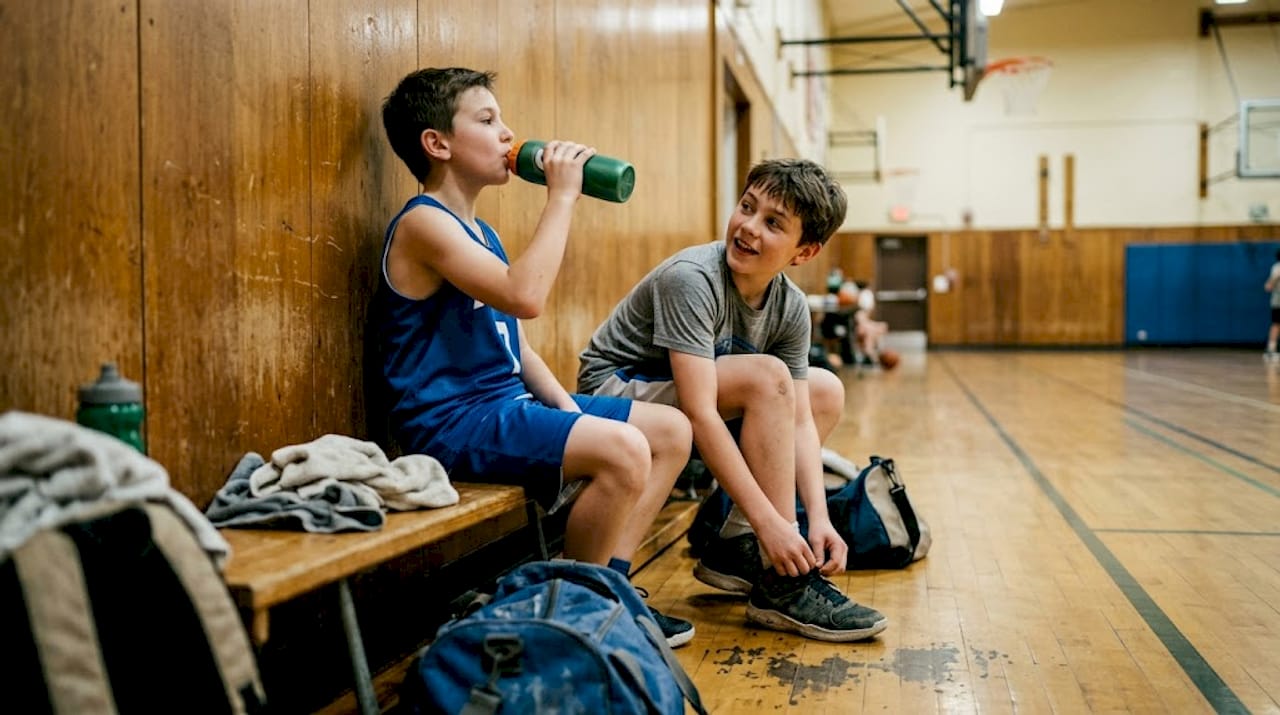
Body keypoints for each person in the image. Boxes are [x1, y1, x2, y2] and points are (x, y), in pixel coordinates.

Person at [372, 67, 696, 646]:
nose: (508, 134)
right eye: (488, 119)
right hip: (451, 423)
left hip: (504, 406)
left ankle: (609, 593)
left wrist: (570, 414)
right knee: (623, 451)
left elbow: (515, 343)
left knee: (670, 430)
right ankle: (573, 622)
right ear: (437, 143)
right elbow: (526, 297)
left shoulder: (484, 233)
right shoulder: (424, 224)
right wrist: (563, 196)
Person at [577, 158, 888, 642]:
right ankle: (781, 579)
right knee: (767, 377)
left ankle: (735, 540)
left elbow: (803, 421)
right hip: (613, 393)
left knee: (824, 390)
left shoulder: (789, 308)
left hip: (682, 400)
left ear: (804, 252)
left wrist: (818, 519)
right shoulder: (692, 278)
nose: (747, 227)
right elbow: (700, 411)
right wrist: (774, 525)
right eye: (747, 207)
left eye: (772, 223)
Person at [852, 279, 889, 366]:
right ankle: (869, 354)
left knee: (882, 326)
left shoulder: (865, 312)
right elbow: (860, 323)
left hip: (862, 325)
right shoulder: (859, 312)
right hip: (858, 327)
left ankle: (876, 353)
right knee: (869, 332)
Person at [1266, 249, 1280, 362]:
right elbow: (1268, 286)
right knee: (1276, 324)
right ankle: (1271, 351)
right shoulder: (1277, 267)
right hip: (1278, 302)